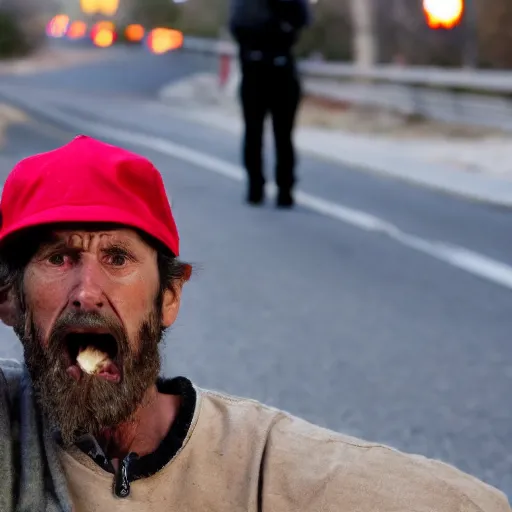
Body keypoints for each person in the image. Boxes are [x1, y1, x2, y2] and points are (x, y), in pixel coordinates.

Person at [0, 135, 509, 512]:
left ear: (169, 297)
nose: (87, 291)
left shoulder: (258, 465)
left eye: (117, 258)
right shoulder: (11, 437)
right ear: (11, 301)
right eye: (59, 258)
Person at [229, 0, 311, 208]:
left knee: (281, 135)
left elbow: (302, 21)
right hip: (257, 70)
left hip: (278, 69)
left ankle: (283, 188)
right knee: (256, 133)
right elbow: (237, 27)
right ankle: (257, 186)